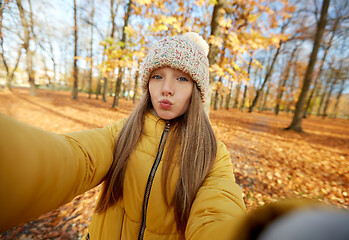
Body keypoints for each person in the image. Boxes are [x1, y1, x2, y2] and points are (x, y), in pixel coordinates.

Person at [0, 32, 246, 239]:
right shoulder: (122, 133)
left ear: (197, 89)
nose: (166, 89)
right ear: (147, 84)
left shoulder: (212, 154)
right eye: (157, 76)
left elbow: (218, 212)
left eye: (181, 78)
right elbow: (75, 158)